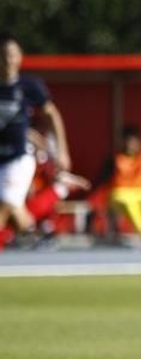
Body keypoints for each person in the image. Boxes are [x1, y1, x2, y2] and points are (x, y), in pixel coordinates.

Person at [0, 33, 70, 248]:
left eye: (12, 55)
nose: (8, 60)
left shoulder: (29, 86)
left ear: (20, 57)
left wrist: (62, 151)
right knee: (15, 209)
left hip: (18, 159)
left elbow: (52, 114)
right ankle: (37, 237)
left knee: (4, 206)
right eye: (3, 55)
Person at [101, 124, 141, 246]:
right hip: (119, 194)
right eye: (128, 141)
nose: (131, 145)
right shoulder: (114, 158)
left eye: (134, 141)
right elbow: (101, 179)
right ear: (122, 142)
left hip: (140, 193)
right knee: (131, 206)